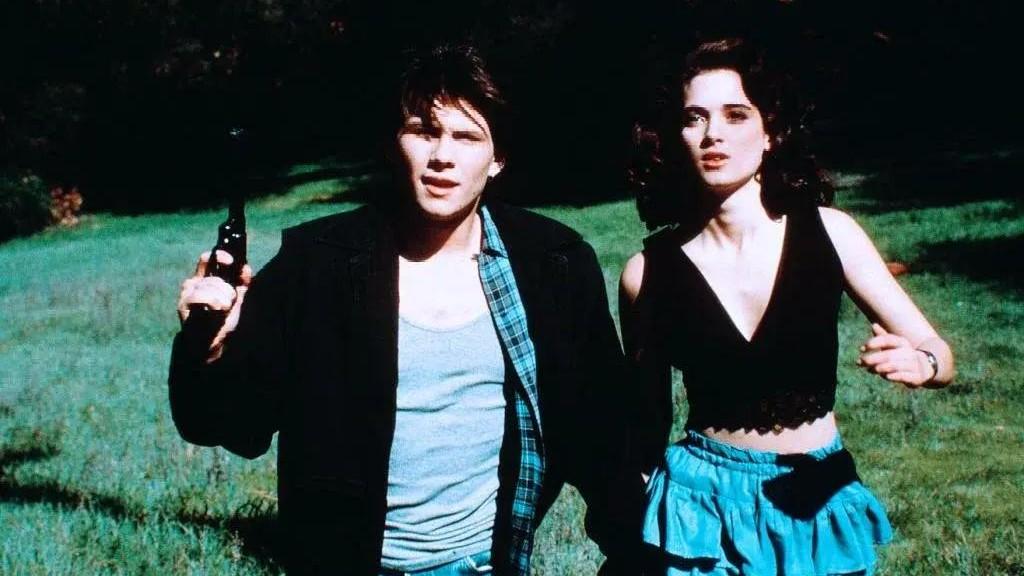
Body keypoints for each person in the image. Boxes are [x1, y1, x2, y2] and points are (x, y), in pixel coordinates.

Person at [170, 43, 644, 575]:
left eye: (467, 137)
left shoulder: (552, 264)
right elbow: (231, 427)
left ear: (498, 159)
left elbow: (601, 431)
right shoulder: (318, 264)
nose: (443, 156)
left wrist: (636, 551)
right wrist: (206, 349)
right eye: (423, 131)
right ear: (396, 143)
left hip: (483, 564)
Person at [620, 38, 954, 575]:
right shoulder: (646, 273)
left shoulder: (832, 234)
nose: (713, 133)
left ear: (771, 131)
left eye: (736, 114)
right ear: (675, 136)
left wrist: (925, 363)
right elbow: (646, 420)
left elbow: (939, 351)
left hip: (815, 498)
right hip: (700, 508)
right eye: (694, 118)